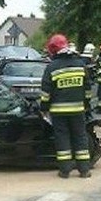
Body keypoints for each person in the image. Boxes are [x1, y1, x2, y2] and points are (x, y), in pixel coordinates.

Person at [40, 33, 91, 178]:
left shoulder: (52, 67)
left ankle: (65, 170)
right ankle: (84, 170)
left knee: (63, 139)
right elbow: (87, 89)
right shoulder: (80, 65)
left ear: (53, 50)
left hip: (58, 111)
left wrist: (43, 108)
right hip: (78, 110)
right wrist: (86, 105)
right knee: (80, 137)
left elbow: (45, 92)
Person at [80, 43, 97, 114]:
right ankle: (87, 108)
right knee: (86, 96)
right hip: (86, 81)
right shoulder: (87, 60)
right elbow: (90, 71)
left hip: (83, 80)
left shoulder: (81, 58)